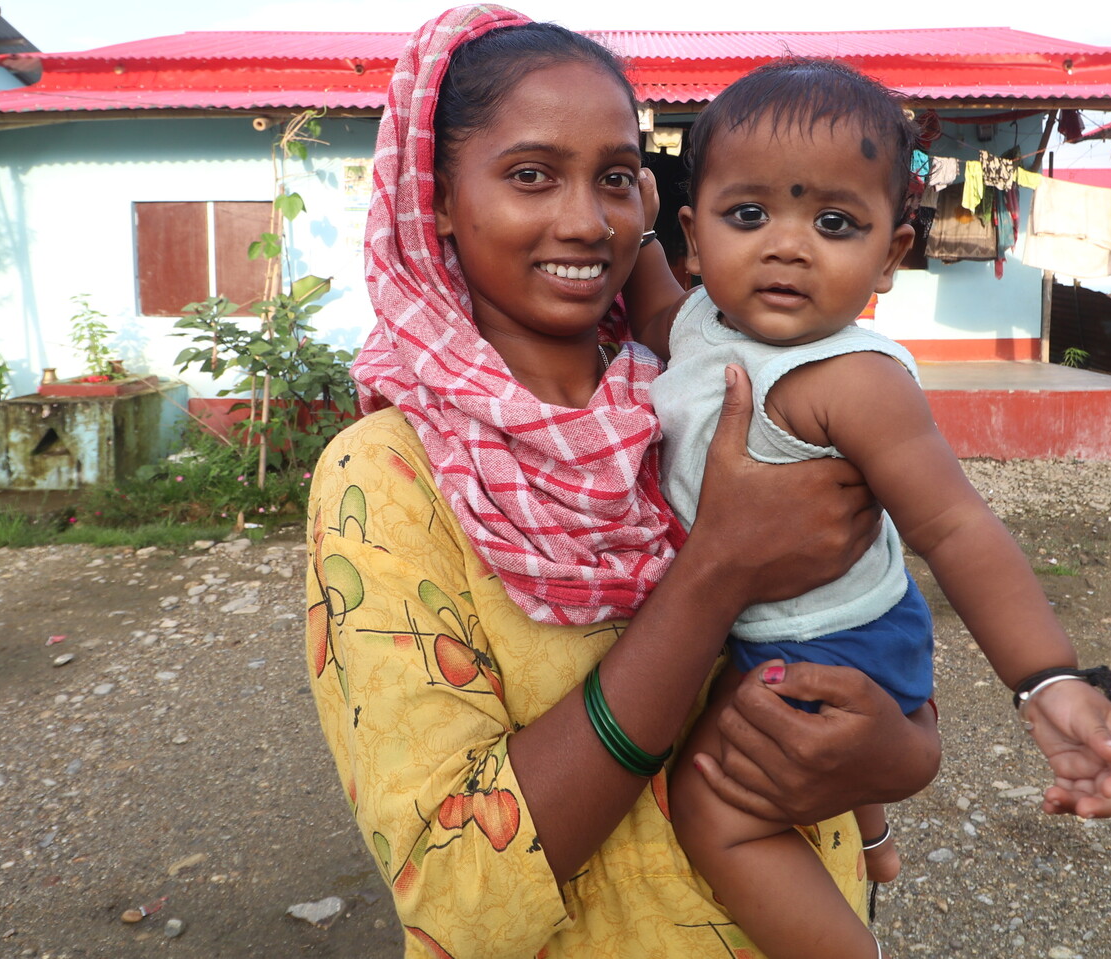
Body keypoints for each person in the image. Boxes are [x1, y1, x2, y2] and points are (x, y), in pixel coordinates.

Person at [305, 8, 943, 956]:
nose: (582, 219)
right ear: (433, 195)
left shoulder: (698, 394)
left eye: (611, 178)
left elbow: (859, 621)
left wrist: (905, 753)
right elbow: (455, 881)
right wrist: (715, 569)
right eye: (530, 175)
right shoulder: (392, 476)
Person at [620, 59, 1111, 959]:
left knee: (712, 801)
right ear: (694, 237)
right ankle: (870, 836)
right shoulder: (704, 319)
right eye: (748, 215)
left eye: (833, 222)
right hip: (750, 615)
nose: (787, 245)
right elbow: (653, 298)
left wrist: (1049, 677)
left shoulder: (853, 381)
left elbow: (953, 527)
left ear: (889, 256)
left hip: (832, 639)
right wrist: (622, 230)